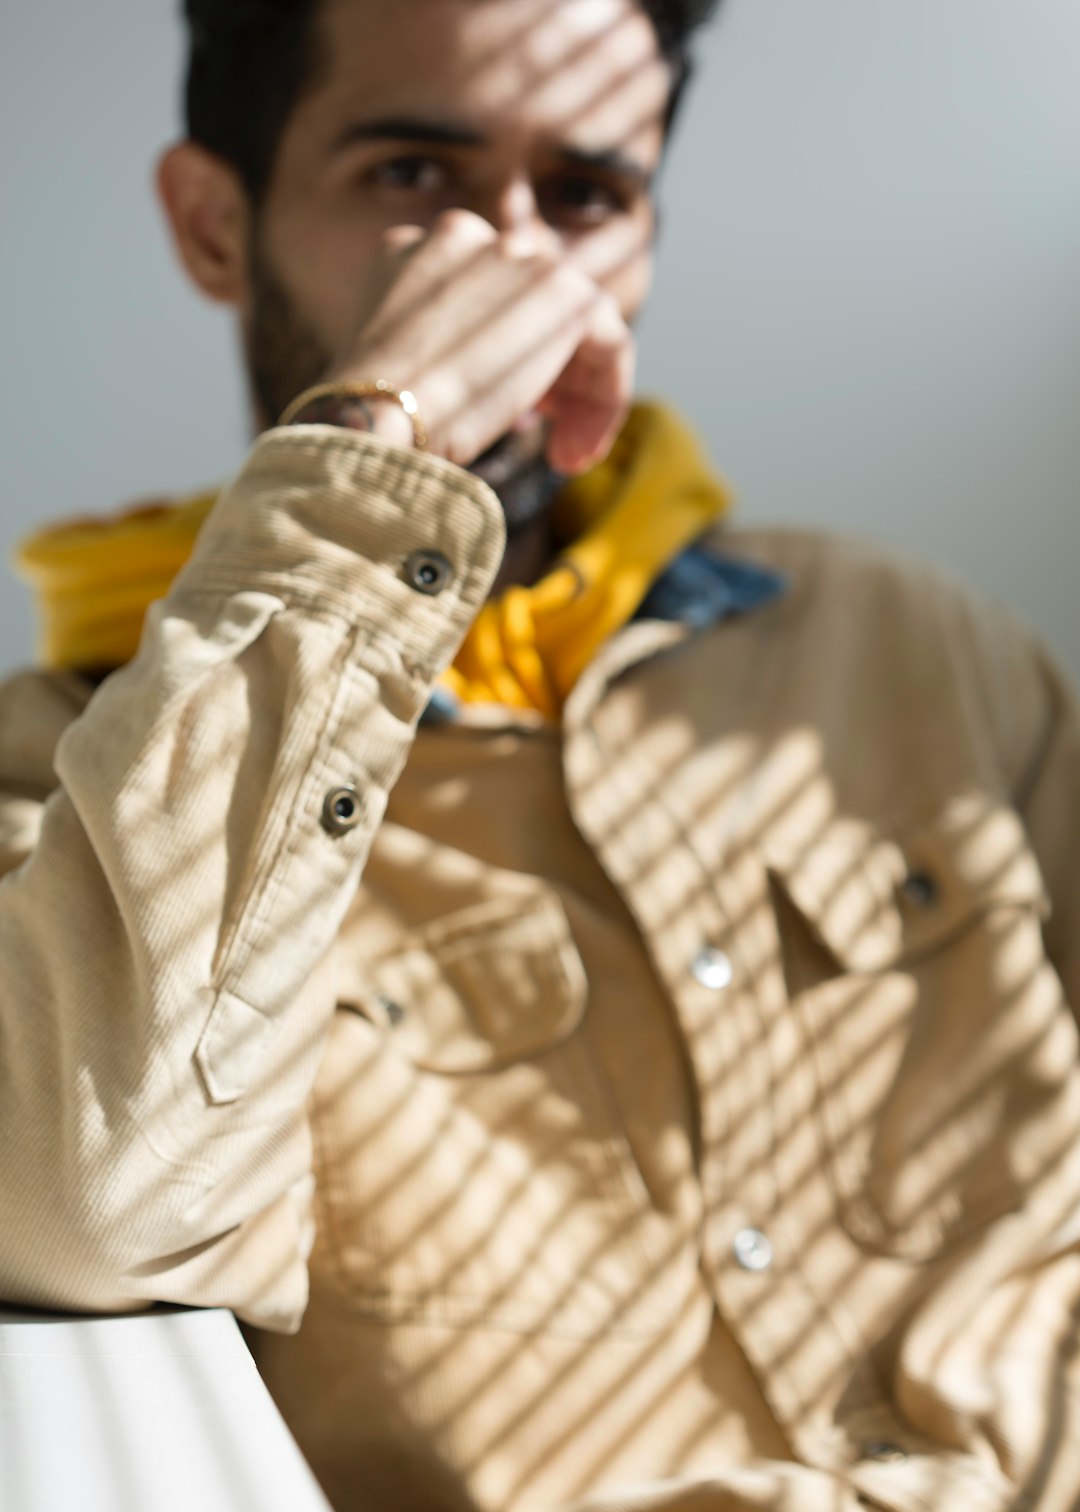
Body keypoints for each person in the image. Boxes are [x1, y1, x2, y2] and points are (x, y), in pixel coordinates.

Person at [2, 1, 1080, 1508]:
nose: (509, 264)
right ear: (212, 224)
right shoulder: (65, 788)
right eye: (411, 177)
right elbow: (92, 1206)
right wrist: (385, 436)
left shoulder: (922, 648)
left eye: (585, 195)